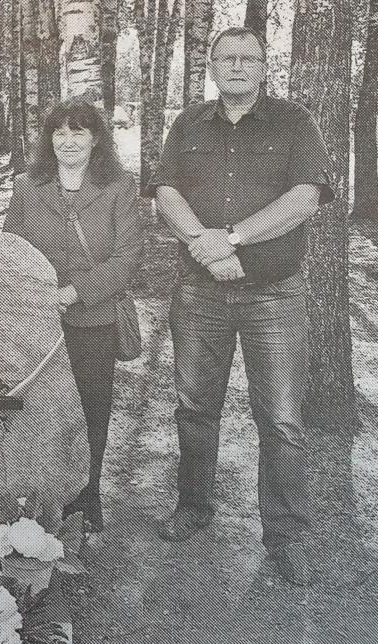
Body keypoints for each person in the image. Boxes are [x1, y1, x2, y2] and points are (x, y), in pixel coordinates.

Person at [145, 26, 333, 585]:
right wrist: (205, 244)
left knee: (281, 419)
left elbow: (308, 197)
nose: (237, 67)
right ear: (210, 66)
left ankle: (287, 535)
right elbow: (165, 191)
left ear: (263, 67)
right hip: (200, 293)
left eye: (247, 59)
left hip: (274, 295)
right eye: (226, 58)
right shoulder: (187, 124)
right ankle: (195, 509)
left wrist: (234, 238)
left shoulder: (294, 121)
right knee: (195, 409)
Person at [2, 99, 143, 534]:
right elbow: (9, 248)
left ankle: (87, 495)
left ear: (96, 139)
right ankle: (36, 498)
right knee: (38, 410)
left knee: (90, 409)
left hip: (94, 321)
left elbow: (129, 256)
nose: (67, 142)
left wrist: (76, 292)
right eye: (59, 133)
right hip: (37, 323)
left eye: (78, 132)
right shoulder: (28, 186)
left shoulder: (119, 186)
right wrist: (35, 292)